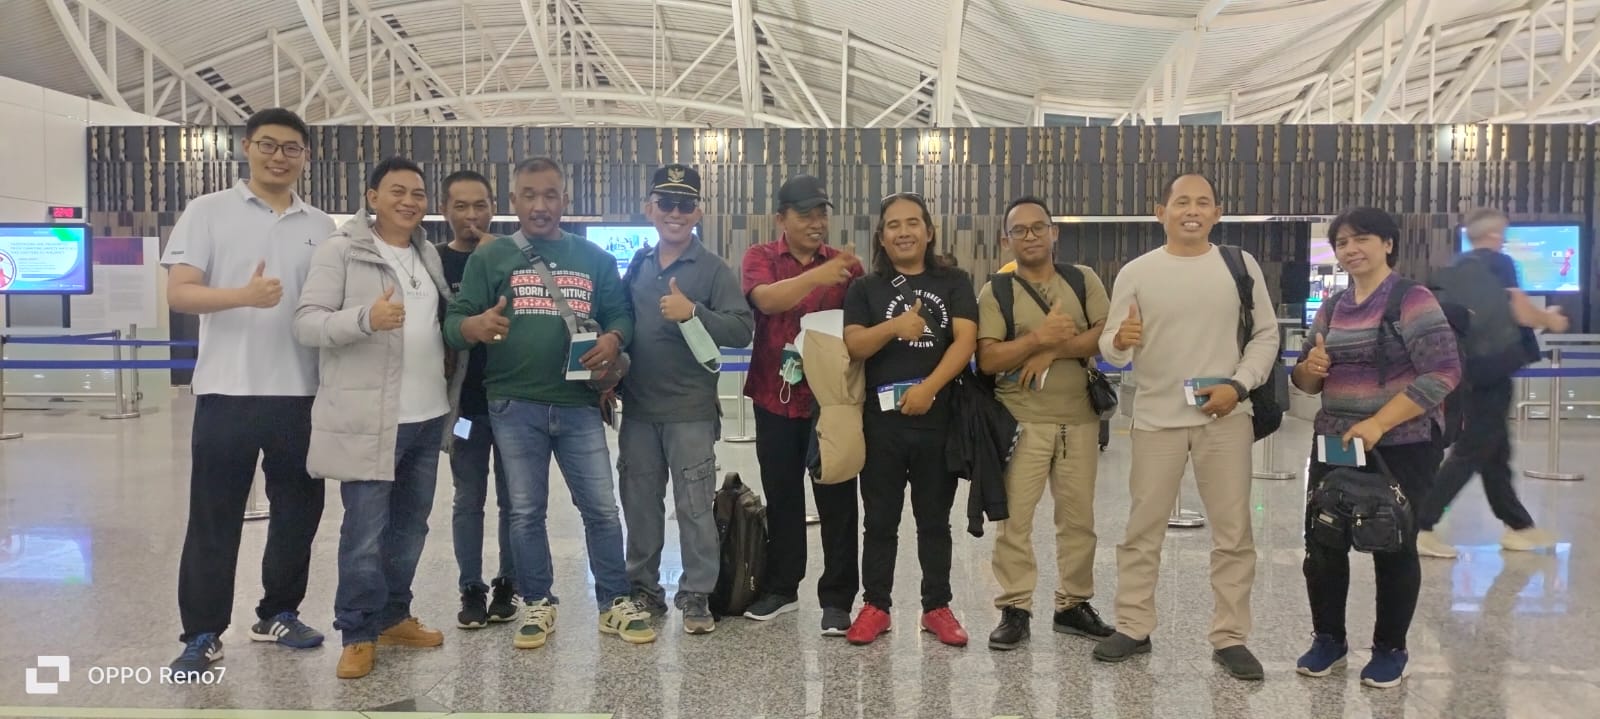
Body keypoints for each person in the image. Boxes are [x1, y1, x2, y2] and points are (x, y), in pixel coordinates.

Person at [444, 157, 654, 650]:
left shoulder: (593, 258)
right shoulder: (491, 258)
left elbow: (620, 314)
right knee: (524, 511)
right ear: (513, 201)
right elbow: (455, 322)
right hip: (513, 405)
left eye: (550, 195)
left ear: (566, 200)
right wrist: (474, 327)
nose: (540, 205)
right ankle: (538, 601)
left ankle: (613, 601)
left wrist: (614, 338)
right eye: (530, 195)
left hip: (579, 404)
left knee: (601, 509)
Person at [162, 108, 334, 674]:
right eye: (268, 145)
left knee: (298, 513)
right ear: (247, 148)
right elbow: (180, 293)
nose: (279, 157)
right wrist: (244, 296)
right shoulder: (207, 211)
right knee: (214, 516)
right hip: (227, 391)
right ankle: (203, 631)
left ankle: (278, 612)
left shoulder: (321, 226)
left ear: (305, 156)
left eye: (291, 148)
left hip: (302, 392)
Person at [1095, 173, 1279, 680]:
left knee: (1234, 531)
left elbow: (1265, 335)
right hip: (1157, 418)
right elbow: (1111, 347)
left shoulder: (1239, 266)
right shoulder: (1137, 272)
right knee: (1142, 529)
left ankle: (1230, 636)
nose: (1191, 210)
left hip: (1226, 416)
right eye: (1181, 202)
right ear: (1161, 212)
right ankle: (1133, 625)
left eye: (1202, 202)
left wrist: (1239, 386)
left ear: (1217, 213)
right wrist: (1121, 340)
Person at [294, 156, 461, 679]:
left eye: (418, 193)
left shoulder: (426, 253)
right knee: (364, 533)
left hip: (428, 415)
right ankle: (358, 631)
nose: (409, 201)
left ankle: (393, 616)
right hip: (372, 419)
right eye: (397, 191)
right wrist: (367, 318)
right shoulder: (342, 250)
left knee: (410, 528)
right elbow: (307, 323)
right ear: (372, 197)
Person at [1290, 207, 1461, 688]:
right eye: (1342, 243)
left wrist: (1379, 422)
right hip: (1336, 442)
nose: (1351, 249)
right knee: (1323, 541)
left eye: (1361, 238)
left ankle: (1390, 648)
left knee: (1394, 541)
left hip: (1402, 444)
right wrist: (1311, 369)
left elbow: (1444, 372)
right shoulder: (1333, 307)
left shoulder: (1412, 299)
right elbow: (1304, 381)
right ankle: (1329, 639)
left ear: (1387, 243)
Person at [617, 164, 755, 634]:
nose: (675, 213)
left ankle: (697, 592)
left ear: (699, 211)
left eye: (685, 204)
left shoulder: (713, 269)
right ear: (649, 209)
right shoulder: (638, 265)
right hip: (638, 411)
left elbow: (741, 329)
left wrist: (693, 311)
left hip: (690, 412)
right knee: (640, 505)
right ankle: (644, 588)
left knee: (694, 507)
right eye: (666, 203)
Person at [976, 196, 1114, 650]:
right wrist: (1038, 338)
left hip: (1079, 421)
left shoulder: (1082, 279)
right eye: (1020, 230)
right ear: (1006, 240)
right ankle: (1015, 607)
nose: (1030, 236)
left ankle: (1073, 603)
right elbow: (988, 358)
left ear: (1055, 233)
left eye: (1039, 227)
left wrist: (1051, 351)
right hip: (1021, 422)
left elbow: (1105, 334)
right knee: (1014, 521)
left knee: (1079, 520)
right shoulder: (996, 292)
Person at [841, 192, 978, 647]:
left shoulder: (953, 281)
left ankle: (936, 607)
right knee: (879, 520)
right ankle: (876, 606)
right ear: (881, 237)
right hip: (880, 424)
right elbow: (855, 345)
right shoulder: (865, 288)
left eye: (913, 223)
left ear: (929, 231)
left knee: (934, 520)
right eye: (894, 225)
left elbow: (965, 341)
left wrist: (929, 389)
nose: (904, 232)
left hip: (937, 420)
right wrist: (894, 327)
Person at [740, 175, 864, 635]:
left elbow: (860, 325)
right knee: (782, 497)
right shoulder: (760, 257)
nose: (816, 223)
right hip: (774, 398)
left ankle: (838, 599)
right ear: (781, 218)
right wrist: (816, 276)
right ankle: (782, 588)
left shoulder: (849, 268)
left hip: (830, 402)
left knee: (838, 500)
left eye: (821, 214)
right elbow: (767, 301)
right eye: (805, 214)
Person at [1414, 208, 1568, 559]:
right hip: (1494, 371)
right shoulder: (1499, 263)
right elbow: (1522, 311)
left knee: (1495, 452)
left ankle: (1519, 527)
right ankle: (1421, 523)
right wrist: (1552, 320)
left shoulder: (1456, 269)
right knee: (1471, 451)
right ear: (1496, 234)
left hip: (1468, 369)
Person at [435, 170, 518, 628]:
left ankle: (508, 582)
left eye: (480, 205)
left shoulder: (511, 255)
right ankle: (471, 587)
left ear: (493, 208)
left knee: (515, 500)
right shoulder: (433, 262)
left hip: (513, 402)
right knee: (468, 497)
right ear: (445, 210)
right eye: (461, 206)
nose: (472, 215)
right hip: (465, 408)